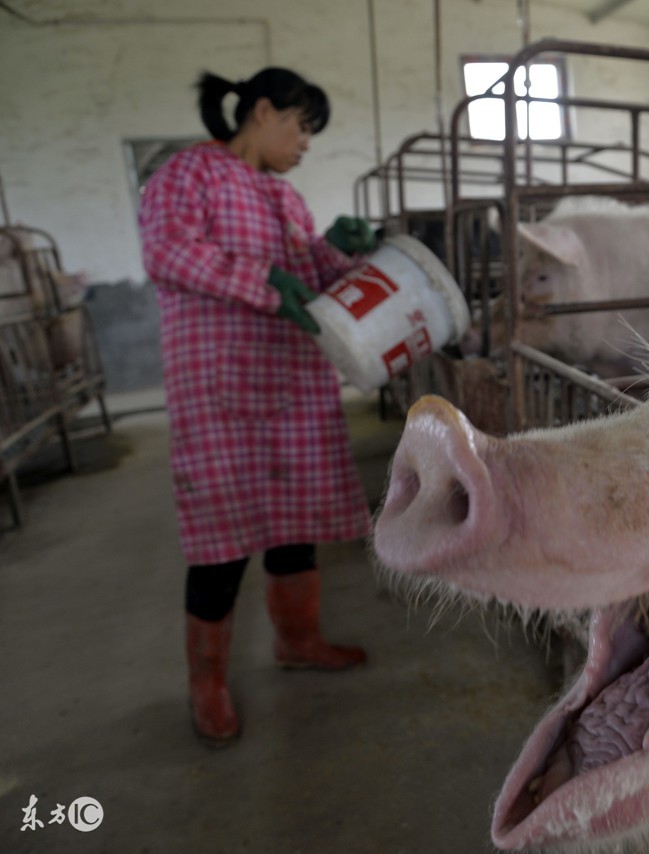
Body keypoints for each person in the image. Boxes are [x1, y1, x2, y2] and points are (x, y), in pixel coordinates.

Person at [138, 67, 379, 745]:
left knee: (292, 520)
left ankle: (298, 641)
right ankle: (207, 682)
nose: (305, 145)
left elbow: (303, 281)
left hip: (292, 382)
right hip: (219, 386)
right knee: (221, 538)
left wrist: (337, 252)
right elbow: (168, 252)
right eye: (301, 127)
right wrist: (263, 280)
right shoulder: (188, 174)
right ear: (263, 110)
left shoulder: (287, 200)